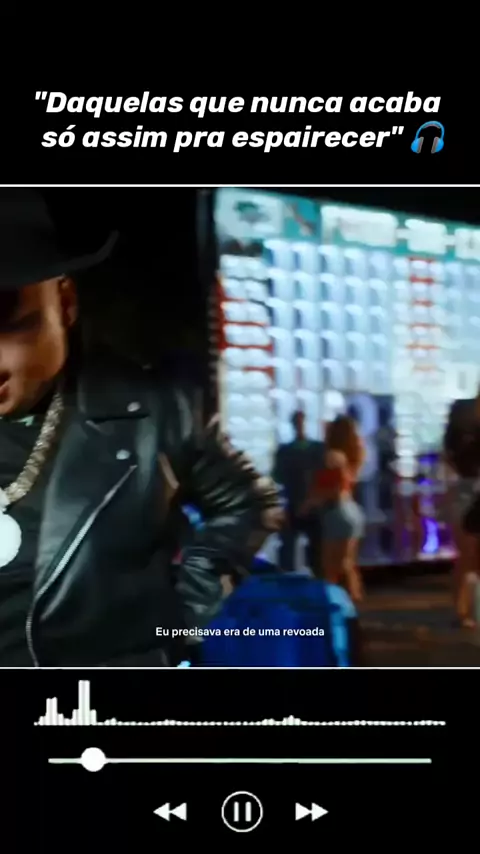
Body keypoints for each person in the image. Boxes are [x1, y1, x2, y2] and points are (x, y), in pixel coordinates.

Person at [0, 189, 282, 667]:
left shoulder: (152, 412)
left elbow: (248, 502)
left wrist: (178, 618)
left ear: (64, 302)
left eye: (8, 319)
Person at [302, 415, 365, 601]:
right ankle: (353, 602)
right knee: (347, 564)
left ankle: (334, 607)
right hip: (352, 510)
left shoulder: (333, 456)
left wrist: (309, 503)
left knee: (330, 570)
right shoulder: (354, 454)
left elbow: (334, 489)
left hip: (336, 512)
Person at [443, 397, 480, 628]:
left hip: (468, 486)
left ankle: (466, 610)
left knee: (471, 557)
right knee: (466, 554)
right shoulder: (463, 420)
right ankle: (461, 610)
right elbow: (450, 456)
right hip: (466, 488)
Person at [272, 410, 324, 571]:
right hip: (293, 503)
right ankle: (288, 578)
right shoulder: (285, 451)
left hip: (314, 504)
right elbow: (278, 477)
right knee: (287, 548)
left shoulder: (318, 449)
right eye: (297, 422)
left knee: (316, 550)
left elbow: (323, 478)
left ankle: (315, 575)